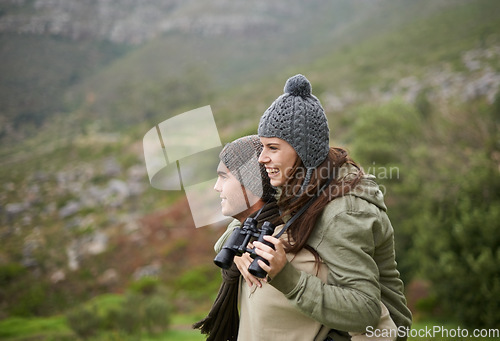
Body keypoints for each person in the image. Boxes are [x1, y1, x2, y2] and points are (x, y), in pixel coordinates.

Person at [227, 74, 412, 341]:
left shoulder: (344, 212)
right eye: (262, 146)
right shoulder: (299, 188)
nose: (262, 158)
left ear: (303, 152)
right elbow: (250, 219)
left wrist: (286, 278)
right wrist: (239, 251)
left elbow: (367, 312)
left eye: (273, 148)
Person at [193, 135, 282, 341]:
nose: (217, 186)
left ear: (251, 184)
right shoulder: (247, 239)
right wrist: (235, 253)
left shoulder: (277, 248)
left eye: (224, 176)